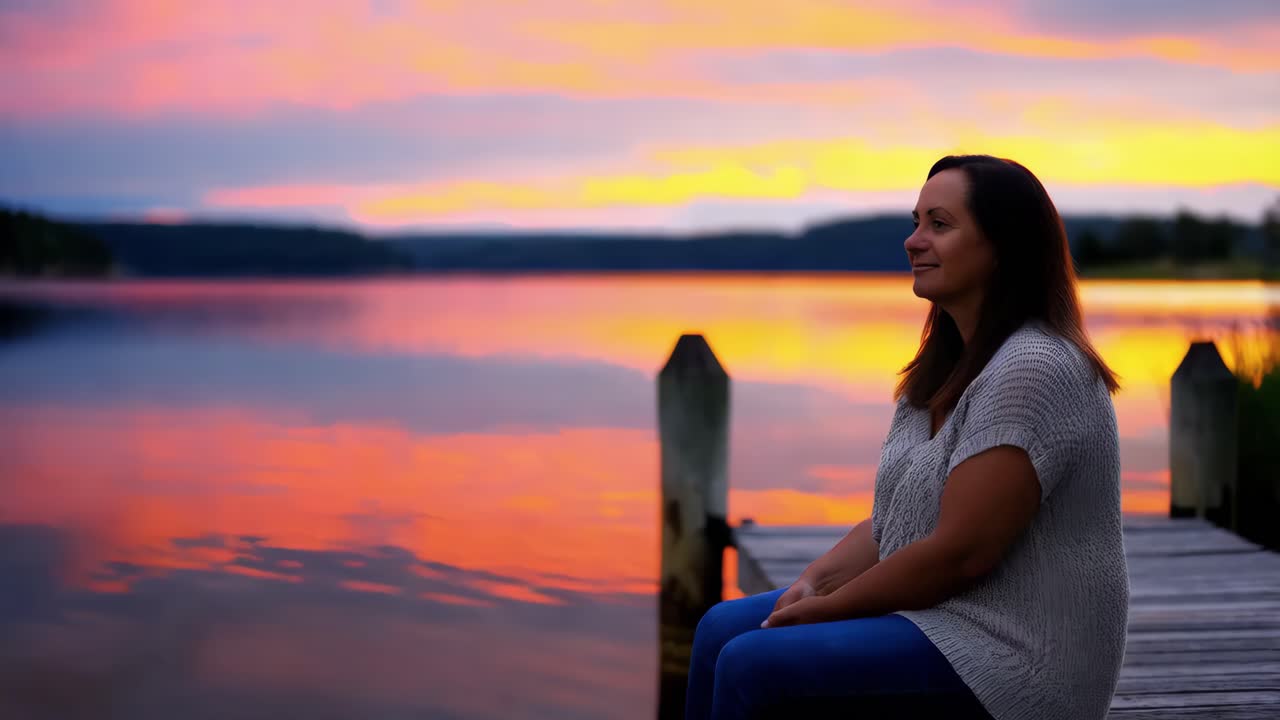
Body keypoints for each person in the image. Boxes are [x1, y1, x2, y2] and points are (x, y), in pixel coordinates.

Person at [684, 155, 1130, 720]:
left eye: (939, 225)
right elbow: (898, 519)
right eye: (916, 221)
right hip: (941, 618)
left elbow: (960, 554)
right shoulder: (942, 372)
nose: (913, 241)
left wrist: (832, 610)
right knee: (719, 628)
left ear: (1003, 248)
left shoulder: (1035, 368)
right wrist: (816, 582)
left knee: (752, 665)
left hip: (1015, 661)